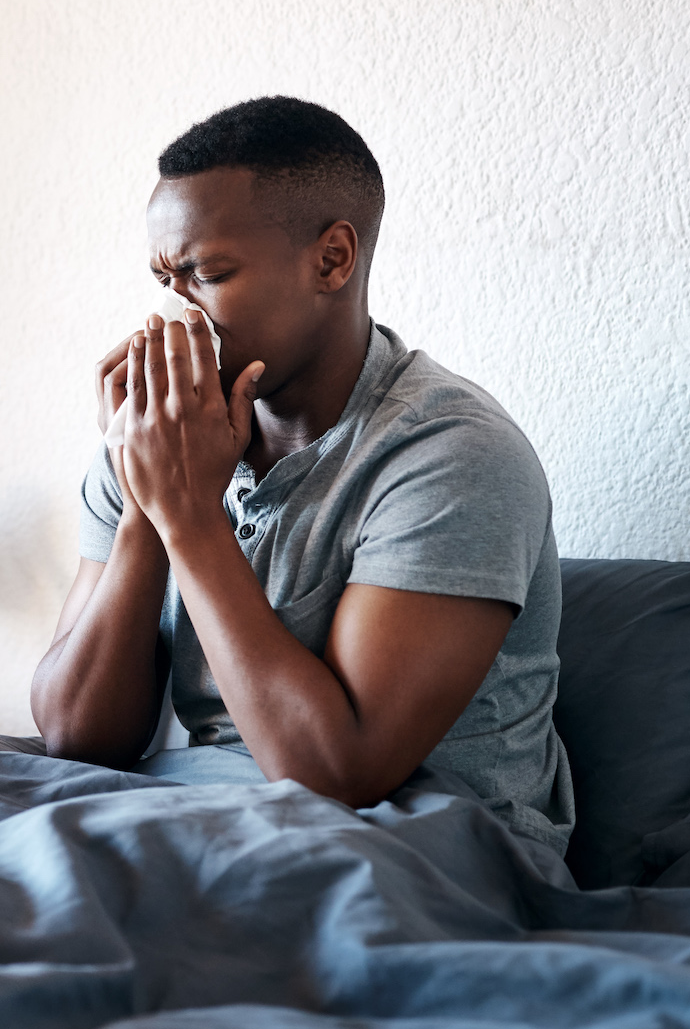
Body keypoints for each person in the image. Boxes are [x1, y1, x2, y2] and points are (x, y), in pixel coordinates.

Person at [30, 96, 574, 854]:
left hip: (418, 841)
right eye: (164, 278)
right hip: (197, 814)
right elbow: (75, 736)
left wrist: (188, 516)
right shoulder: (159, 441)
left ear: (332, 260)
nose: (172, 315)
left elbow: (338, 772)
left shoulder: (451, 454)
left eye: (207, 273)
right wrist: (145, 507)